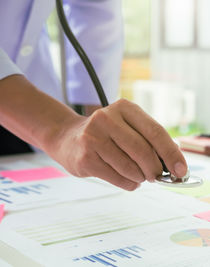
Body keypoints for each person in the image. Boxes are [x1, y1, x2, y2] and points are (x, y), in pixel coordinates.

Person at [0, 1, 188, 191]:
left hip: (33, 92)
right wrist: (61, 131)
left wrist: (99, 123)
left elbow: (93, 7)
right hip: (34, 112)